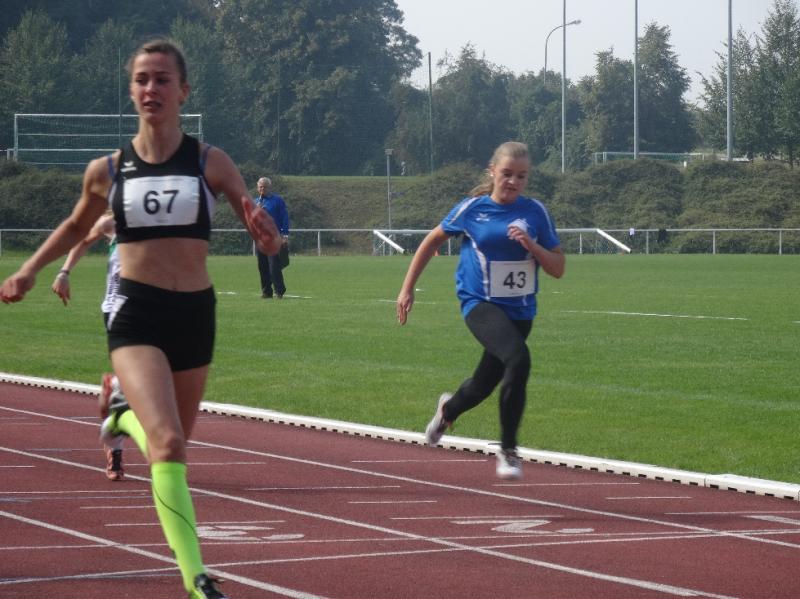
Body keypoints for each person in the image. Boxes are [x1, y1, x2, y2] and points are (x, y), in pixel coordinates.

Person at [1, 39, 281, 599]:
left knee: (165, 451)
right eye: (141, 79)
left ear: (184, 91)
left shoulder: (211, 162)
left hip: (195, 313)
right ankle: (197, 579)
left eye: (162, 79)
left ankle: (120, 415)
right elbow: (76, 225)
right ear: (131, 91)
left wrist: (270, 241)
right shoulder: (107, 170)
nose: (151, 89)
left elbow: (259, 230)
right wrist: (31, 269)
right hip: (136, 314)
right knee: (169, 444)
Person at [396, 141, 565, 481]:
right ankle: (509, 450)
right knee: (519, 359)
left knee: (482, 385)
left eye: (521, 176)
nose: (513, 182)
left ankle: (448, 410)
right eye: (507, 174)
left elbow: (558, 267)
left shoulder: (536, 212)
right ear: (492, 172)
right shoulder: (473, 209)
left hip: (520, 311)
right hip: (480, 304)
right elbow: (432, 241)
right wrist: (407, 287)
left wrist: (531, 245)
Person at [51, 211, 128, 481]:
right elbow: (82, 240)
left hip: (156, 309)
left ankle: (113, 384)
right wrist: (64, 273)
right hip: (118, 310)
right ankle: (115, 453)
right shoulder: (110, 222)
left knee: (156, 383)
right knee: (131, 386)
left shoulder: (165, 219)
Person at [254, 177, 289, 298]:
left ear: (270, 188)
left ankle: (279, 291)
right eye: (260, 187)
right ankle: (266, 291)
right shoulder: (255, 202)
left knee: (274, 265)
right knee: (262, 265)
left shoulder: (277, 200)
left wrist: (285, 234)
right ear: (257, 188)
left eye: (265, 187)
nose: (262, 189)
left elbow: (284, 217)